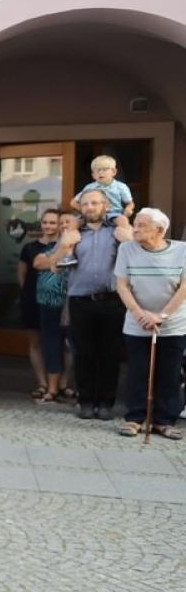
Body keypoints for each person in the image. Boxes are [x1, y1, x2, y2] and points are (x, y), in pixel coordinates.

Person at [48, 190, 131, 420]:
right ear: (80, 208)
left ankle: (105, 403)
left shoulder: (117, 231)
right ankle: (85, 401)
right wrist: (64, 246)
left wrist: (130, 239)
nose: (90, 207)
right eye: (85, 203)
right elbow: (54, 266)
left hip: (113, 300)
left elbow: (136, 257)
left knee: (110, 354)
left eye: (95, 203)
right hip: (80, 301)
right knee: (83, 353)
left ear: (105, 205)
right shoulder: (73, 232)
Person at [115, 208, 186, 439]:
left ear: (159, 229)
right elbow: (122, 285)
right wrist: (139, 314)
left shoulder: (182, 251)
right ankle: (135, 418)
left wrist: (161, 315)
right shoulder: (127, 249)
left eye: (142, 225)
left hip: (173, 324)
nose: (136, 228)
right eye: (136, 223)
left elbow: (184, 288)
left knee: (169, 373)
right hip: (138, 323)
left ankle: (163, 421)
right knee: (138, 371)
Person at [20, 210, 64, 402]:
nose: (48, 226)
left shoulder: (65, 246)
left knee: (64, 343)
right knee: (36, 342)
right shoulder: (30, 247)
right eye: (45, 222)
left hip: (58, 300)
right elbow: (22, 274)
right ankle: (42, 383)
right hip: (33, 299)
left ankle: (62, 384)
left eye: (53, 223)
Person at [72, 153, 134, 227]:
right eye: (97, 170)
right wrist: (87, 210)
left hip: (114, 214)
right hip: (94, 215)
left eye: (104, 170)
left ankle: (122, 237)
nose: (100, 173)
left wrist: (128, 210)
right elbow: (73, 203)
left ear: (114, 172)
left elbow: (130, 203)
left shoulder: (121, 187)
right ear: (93, 175)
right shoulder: (90, 188)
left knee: (122, 221)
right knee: (75, 222)